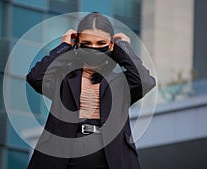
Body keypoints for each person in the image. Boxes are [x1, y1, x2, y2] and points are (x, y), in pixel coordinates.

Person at [26, 12, 156, 169]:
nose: (94, 49)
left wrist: (124, 48)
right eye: (87, 43)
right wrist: (65, 47)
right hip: (62, 158)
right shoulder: (64, 78)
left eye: (101, 43)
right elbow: (36, 77)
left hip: (111, 159)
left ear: (111, 45)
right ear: (78, 44)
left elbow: (144, 82)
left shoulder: (121, 82)